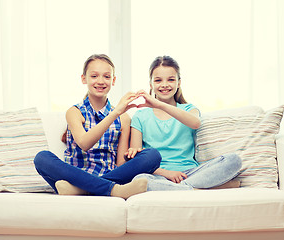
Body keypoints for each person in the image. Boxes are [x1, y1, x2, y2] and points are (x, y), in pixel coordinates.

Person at [34, 54, 161, 199]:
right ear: (84, 79)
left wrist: (133, 155)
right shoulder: (75, 112)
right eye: (94, 76)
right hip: (75, 175)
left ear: (113, 80)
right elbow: (84, 143)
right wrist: (115, 112)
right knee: (42, 158)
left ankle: (82, 190)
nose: (100, 81)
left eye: (106, 77)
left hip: (109, 175)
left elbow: (120, 163)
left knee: (152, 155)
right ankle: (112, 190)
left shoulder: (124, 119)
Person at [128, 55, 242, 191]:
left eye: (171, 79)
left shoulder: (188, 109)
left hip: (191, 173)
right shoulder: (140, 116)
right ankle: (196, 189)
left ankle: (179, 188)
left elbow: (195, 123)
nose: (164, 85)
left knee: (233, 160)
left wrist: (159, 104)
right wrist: (167, 173)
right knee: (139, 180)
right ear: (151, 84)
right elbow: (137, 160)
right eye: (158, 80)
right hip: (158, 175)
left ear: (179, 82)